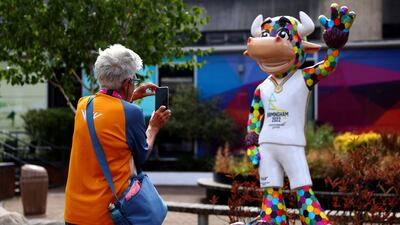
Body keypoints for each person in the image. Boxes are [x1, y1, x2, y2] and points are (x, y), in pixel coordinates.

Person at [64, 44, 171, 225]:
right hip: (107, 215)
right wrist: (153, 127)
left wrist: (131, 96)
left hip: (74, 214)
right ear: (127, 83)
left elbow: (107, 115)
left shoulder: (83, 105)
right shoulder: (132, 113)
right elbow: (142, 154)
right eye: (134, 81)